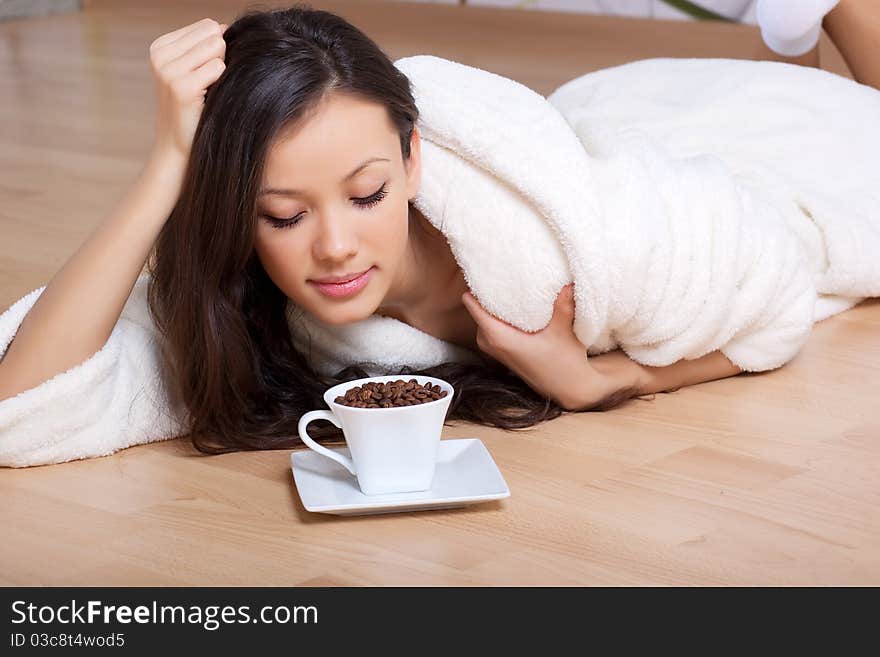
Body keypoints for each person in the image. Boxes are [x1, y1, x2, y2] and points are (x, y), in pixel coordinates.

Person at [0, 1, 877, 464]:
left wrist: (605, 377)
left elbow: (778, 300)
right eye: (284, 215)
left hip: (757, 145)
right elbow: (22, 407)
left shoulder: (574, 239)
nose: (335, 247)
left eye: (367, 194)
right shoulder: (249, 303)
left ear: (414, 160)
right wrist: (165, 169)